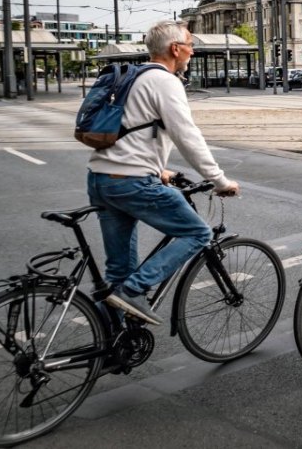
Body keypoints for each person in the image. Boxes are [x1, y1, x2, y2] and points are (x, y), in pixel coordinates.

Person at [87, 20, 240, 327]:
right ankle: (134, 290)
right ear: (175, 49)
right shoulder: (164, 81)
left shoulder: (133, 77)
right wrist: (219, 180)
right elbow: (187, 137)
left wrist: (158, 169)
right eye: (190, 45)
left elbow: (129, 129)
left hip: (101, 178)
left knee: (118, 271)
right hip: (130, 182)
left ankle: (110, 345)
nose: (192, 52)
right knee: (198, 233)